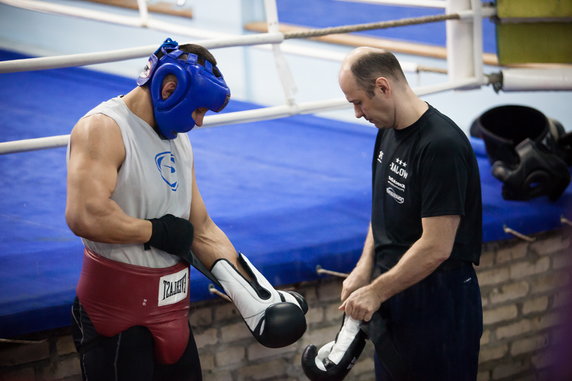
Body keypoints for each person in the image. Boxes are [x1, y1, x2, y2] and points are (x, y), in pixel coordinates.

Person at [65, 38, 307, 381]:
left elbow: (201, 228)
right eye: (198, 110)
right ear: (169, 87)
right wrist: (155, 231)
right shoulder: (103, 128)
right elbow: (84, 215)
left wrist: (256, 294)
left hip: (172, 310)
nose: (200, 121)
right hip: (115, 313)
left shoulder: (178, 137)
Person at [337, 47, 483, 380]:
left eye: (358, 101)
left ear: (383, 87)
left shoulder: (440, 146)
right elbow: (383, 211)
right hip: (395, 295)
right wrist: (365, 268)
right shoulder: (386, 131)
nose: (358, 113)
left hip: (439, 303)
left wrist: (375, 291)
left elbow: (436, 247)